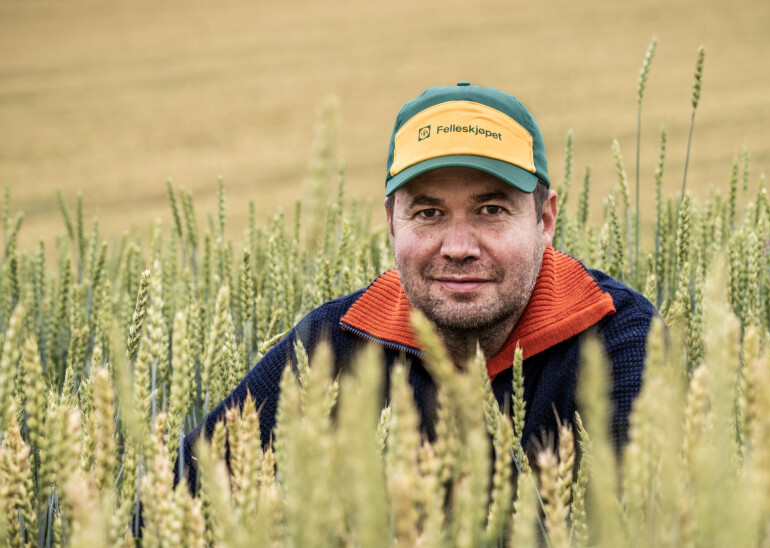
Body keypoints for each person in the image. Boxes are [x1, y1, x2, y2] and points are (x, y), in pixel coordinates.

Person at [175, 82, 657, 490]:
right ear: (390, 223)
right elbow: (174, 502)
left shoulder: (619, 340)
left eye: (491, 210)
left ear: (544, 219)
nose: (459, 247)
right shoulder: (333, 343)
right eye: (429, 213)